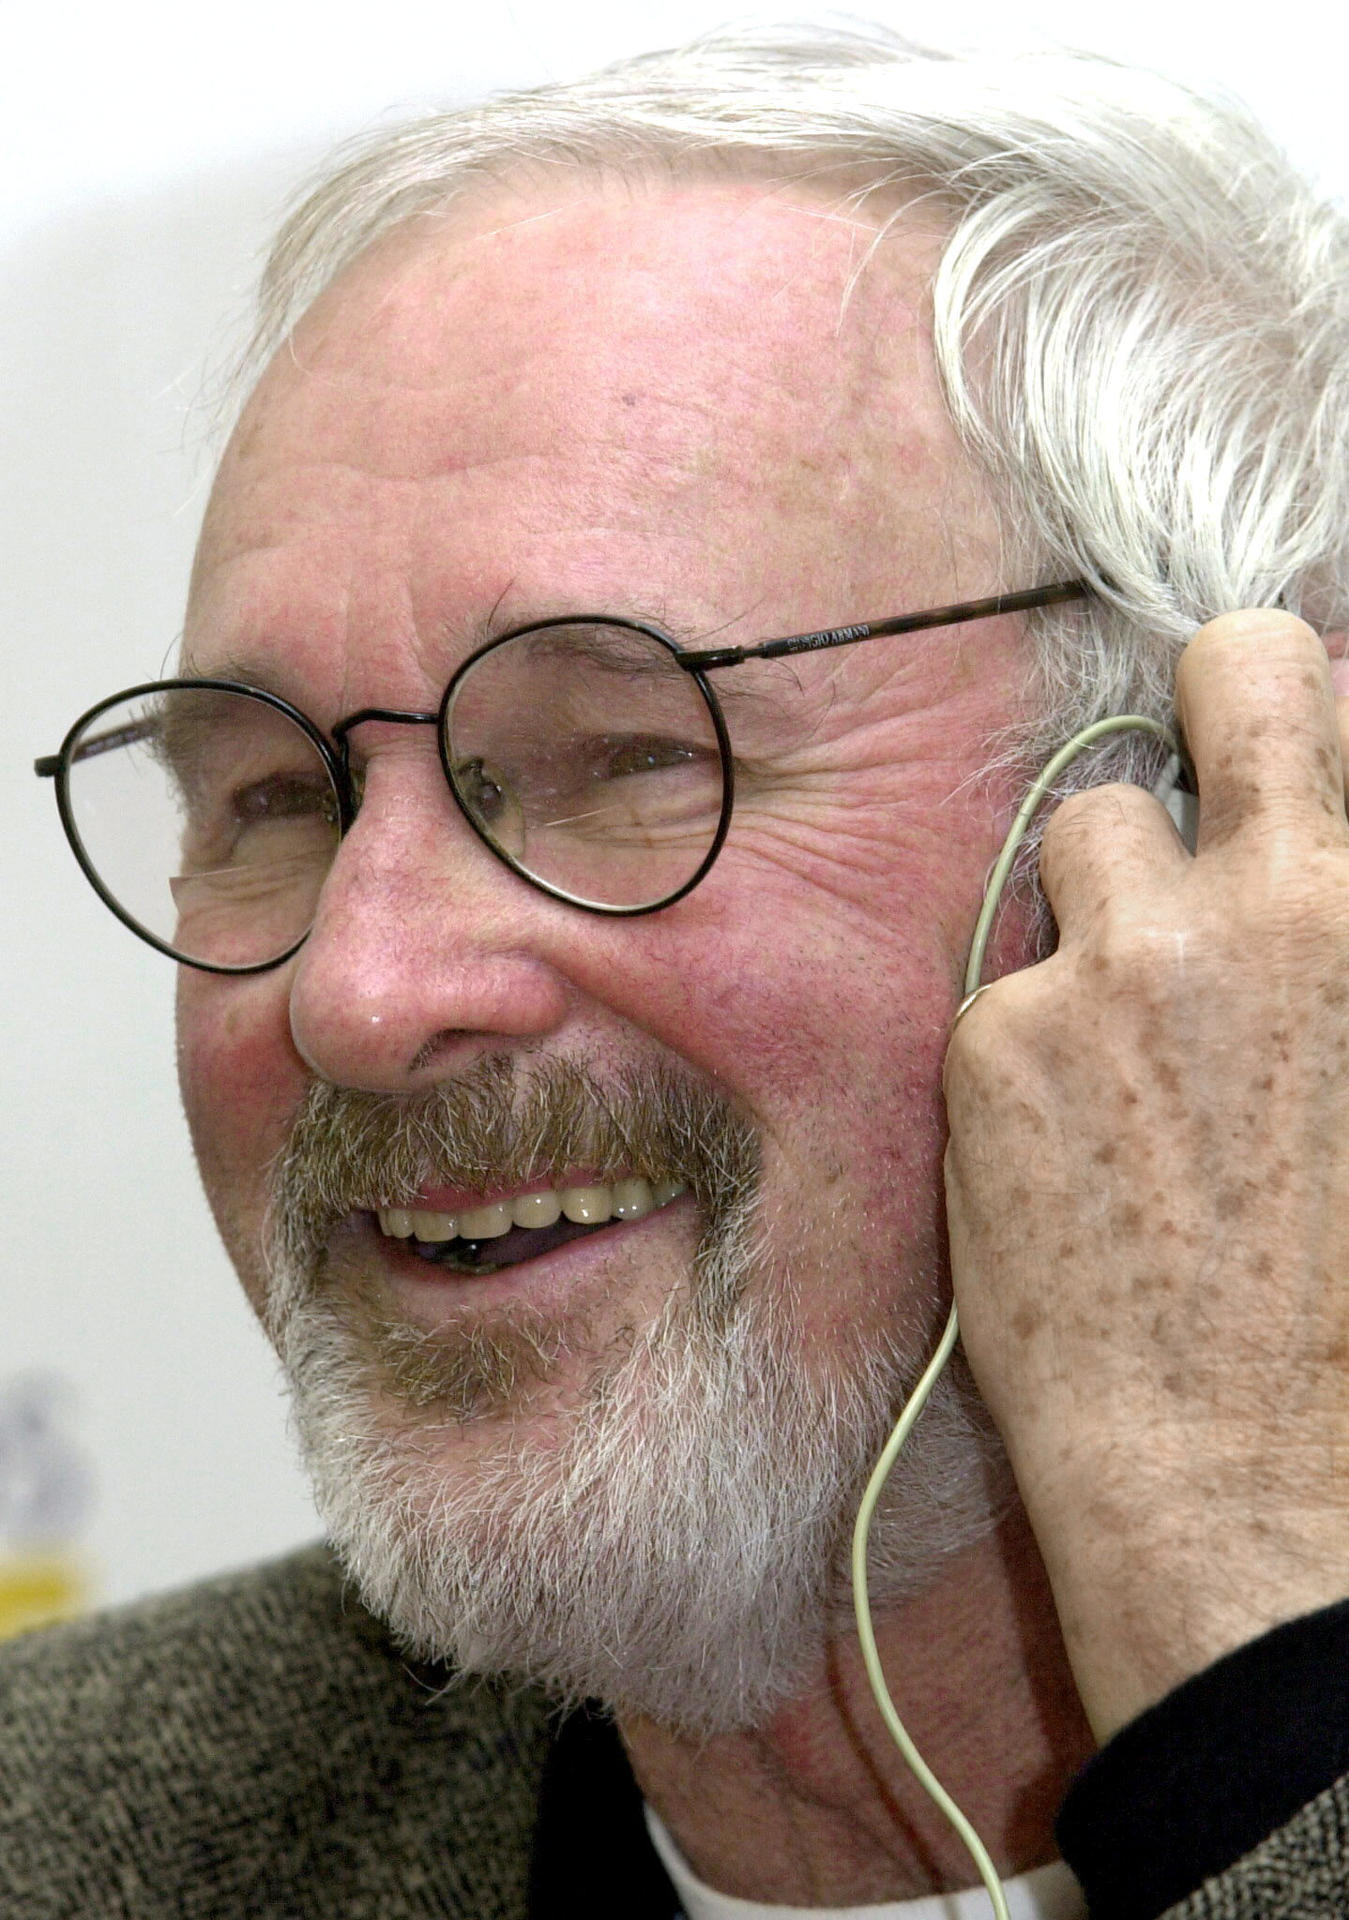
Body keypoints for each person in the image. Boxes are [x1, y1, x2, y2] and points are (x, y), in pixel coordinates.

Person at [6, 24, 1349, 1918]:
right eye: (272, 795)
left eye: (627, 758)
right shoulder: (62, 1832)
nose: (359, 994)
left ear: (1241, 804)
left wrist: (1253, 1625)